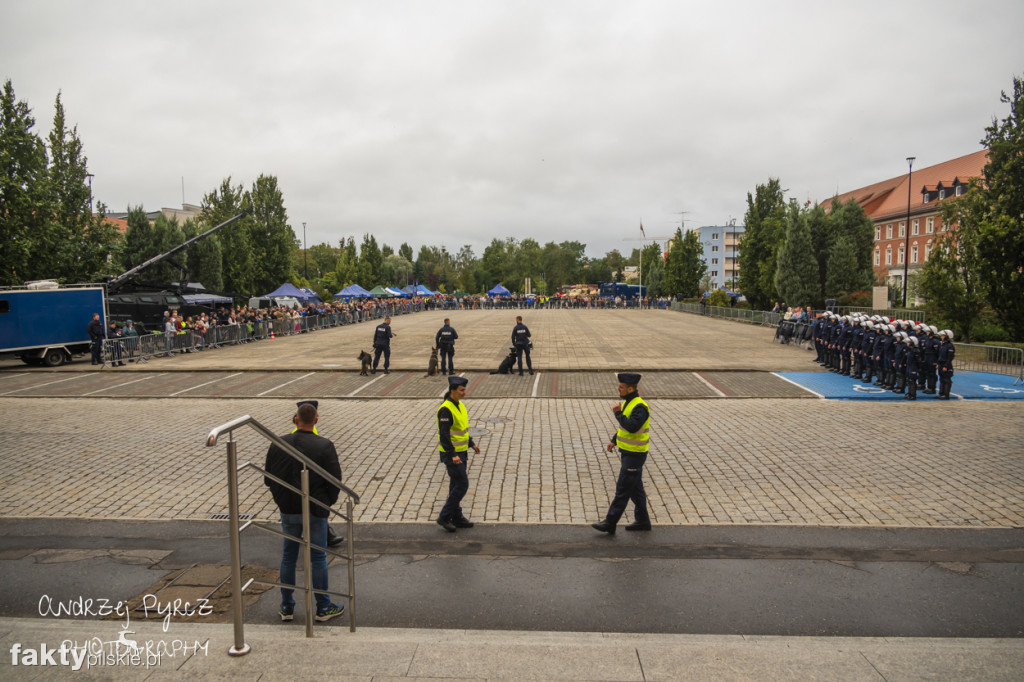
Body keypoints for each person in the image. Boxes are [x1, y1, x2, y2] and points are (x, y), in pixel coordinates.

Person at [264, 402, 346, 623]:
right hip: (315, 509)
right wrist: (327, 503)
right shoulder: (324, 445)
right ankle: (323, 606)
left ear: (295, 419)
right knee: (318, 556)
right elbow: (335, 480)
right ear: (316, 420)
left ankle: (286, 606)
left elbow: (267, 478)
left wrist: (281, 499)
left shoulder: (278, 443)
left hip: (288, 509)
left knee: (288, 556)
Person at [592, 373, 652, 534]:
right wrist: (614, 440)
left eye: (621, 387)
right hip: (628, 452)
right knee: (635, 489)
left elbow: (632, 426)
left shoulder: (639, 407)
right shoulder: (628, 403)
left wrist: (617, 413)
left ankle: (610, 522)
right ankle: (642, 521)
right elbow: (624, 428)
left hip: (635, 454)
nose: (618, 389)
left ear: (630, 388)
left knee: (623, 489)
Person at [435, 375, 481, 532]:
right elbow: (445, 435)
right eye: (461, 390)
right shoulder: (446, 410)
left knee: (455, 484)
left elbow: (462, 430)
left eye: (464, 390)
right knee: (462, 484)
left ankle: (456, 517)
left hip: (461, 452)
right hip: (452, 455)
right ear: (453, 390)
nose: (464, 393)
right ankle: (444, 516)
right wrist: (452, 454)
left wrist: (471, 444)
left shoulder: (459, 406)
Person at [937, 329, 956, 400]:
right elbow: (940, 355)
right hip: (941, 363)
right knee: (941, 379)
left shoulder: (950, 346)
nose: (941, 337)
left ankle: (946, 394)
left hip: (946, 364)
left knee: (946, 380)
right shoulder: (943, 345)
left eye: (943, 336)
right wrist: (938, 363)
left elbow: (949, 357)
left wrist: (946, 366)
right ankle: (941, 393)